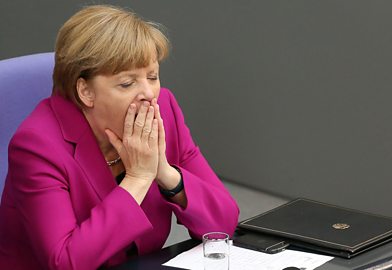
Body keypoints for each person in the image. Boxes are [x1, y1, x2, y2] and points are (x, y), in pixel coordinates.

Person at [0, 5, 239, 269]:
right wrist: (137, 178)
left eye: (152, 76)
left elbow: (223, 226)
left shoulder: (163, 111)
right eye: (127, 83)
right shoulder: (37, 146)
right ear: (85, 91)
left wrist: (164, 172)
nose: (149, 93)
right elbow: (66, 262)